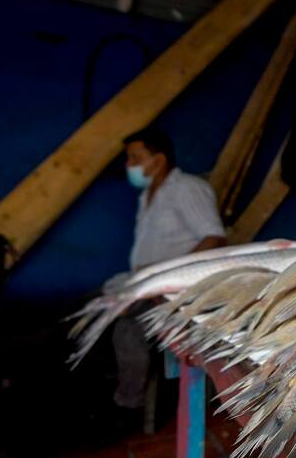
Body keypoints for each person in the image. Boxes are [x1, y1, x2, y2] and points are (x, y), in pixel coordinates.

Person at [108, 127, 226, 428]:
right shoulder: (148, 195)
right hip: (145, 281)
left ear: (158, 160)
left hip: (175, 288)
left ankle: (129, 407)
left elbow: (213, 237)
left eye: (135, 157)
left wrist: (173, 274)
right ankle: (125, 388)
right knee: (96, 304)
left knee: (126, 327)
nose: (129, 164)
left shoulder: (187, 189)